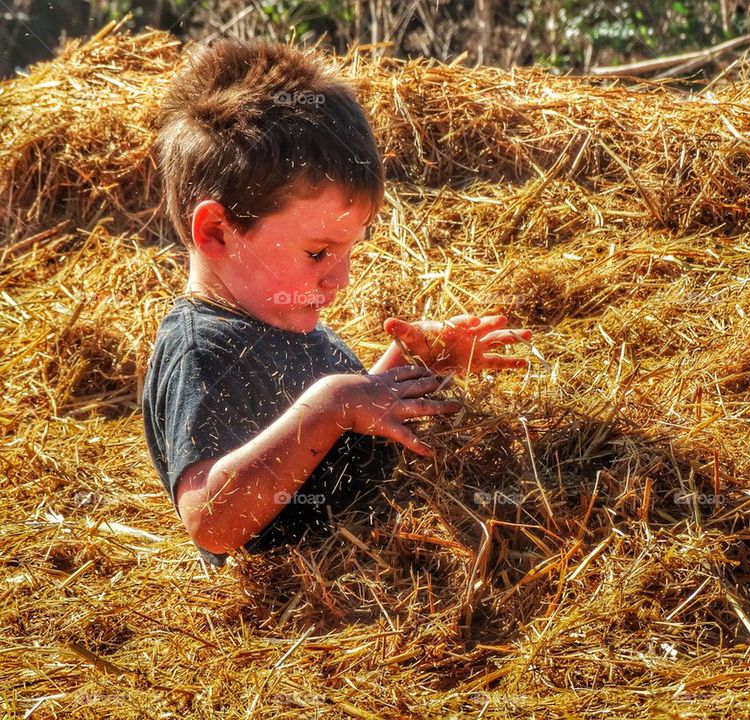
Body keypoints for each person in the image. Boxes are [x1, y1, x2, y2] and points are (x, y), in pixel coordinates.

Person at [142, 39, 532, 568]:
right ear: (217, 231)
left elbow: (337, 447)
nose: (342, 278)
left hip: (380, 573)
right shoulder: (203, 350)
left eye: (349, 250)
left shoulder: (284, 318)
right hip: (306, 611)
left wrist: (413, 370)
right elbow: (210, 522)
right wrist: (331, 404)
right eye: (319, 252)